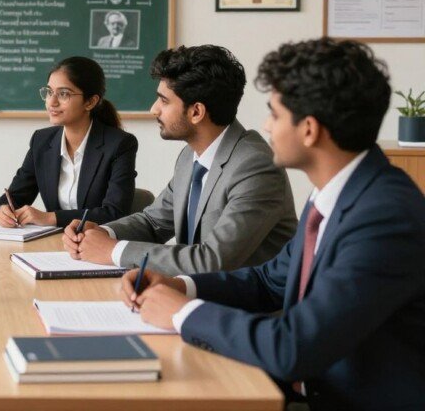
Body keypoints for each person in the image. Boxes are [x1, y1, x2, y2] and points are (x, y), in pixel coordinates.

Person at [123, 38, 425, 411]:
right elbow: (269, 281)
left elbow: (294, 348)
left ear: (309, 130)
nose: (266, 125)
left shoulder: (384, 217)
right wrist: (179, 285)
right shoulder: (336, 194)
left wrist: (181, 312)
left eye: (276, 114)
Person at [63, 45, 296, 275]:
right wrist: (103, 233)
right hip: (192, 294)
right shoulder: (191, 155)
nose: (153, 109)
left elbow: (212, 261)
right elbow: (153, 222)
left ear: (196, 112)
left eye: (163, 101)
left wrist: (114, 251)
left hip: (243, 308)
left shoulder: (255, 166)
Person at [0, 57, 138, 228]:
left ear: (90, 102)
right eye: (49, 92)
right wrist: (1, 211)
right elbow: (15, 196)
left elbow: (114, 213)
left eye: (63, 94)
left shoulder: (120, 144)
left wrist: (50, 218)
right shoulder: (41, 141)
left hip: (98, 244)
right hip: (54, 244)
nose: (52, 102)